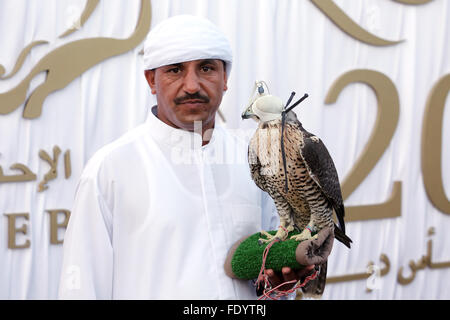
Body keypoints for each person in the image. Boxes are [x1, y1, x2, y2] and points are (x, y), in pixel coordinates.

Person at [58, 15, 316, 300]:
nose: (192, 85)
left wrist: (279, 282)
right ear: (151, 80)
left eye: (206, 68)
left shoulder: (255, 159)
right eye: (175, 70)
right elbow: (81, 288)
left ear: (225, 78)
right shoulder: (111, 170)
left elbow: (273, 271)